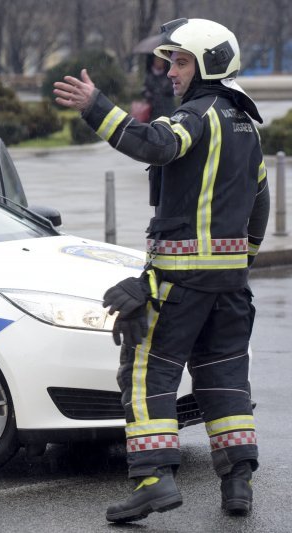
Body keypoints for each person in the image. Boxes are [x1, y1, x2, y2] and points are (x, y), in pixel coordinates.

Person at [53, 18, 270, 523]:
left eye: (180, 60)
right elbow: (260, 201)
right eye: (170, 61)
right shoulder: (245, 123)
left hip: (179, 283)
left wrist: (96, 107)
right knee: (225, 382)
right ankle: (238, 481)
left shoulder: (200, 115)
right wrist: (242, 259)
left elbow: (154, 144)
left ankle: (153, 481)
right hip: (231, 286)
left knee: (145, 377)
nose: (170, 71)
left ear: (209, 64)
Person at [143, 55, 175, 121]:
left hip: (167, 110)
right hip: (152, 111)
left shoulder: (168, 76)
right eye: (157, 60)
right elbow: (145, 89)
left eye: (161, 60)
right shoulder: (149, 76)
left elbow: (173, 91)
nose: (159, 62)